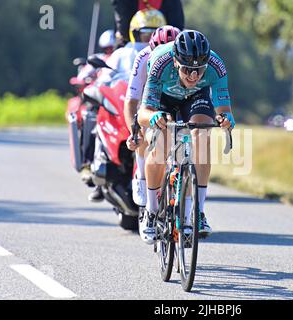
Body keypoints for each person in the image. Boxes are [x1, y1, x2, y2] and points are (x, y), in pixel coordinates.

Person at [137, 30, 235, 244]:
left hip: (195, 98)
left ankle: (197, 212)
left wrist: (226, 120)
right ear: (175, 61)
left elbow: (223, 109)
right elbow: (144, 114)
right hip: (163, 97)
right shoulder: (160, 63)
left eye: (199, 70)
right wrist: (154, 118)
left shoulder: (216, 67)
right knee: (161, 144)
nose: (193, 76)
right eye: (188, 69)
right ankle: (152, 211)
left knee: (201, 136)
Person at [87, 8, 167, 202]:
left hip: (153, 104)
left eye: (154, 33)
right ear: (134, 32)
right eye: (145, 33)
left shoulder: (166, 55)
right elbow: (104, 78)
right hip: (124, 100)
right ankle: (95, 168)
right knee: (96, 119)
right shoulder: (122, 53)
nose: (149, 38)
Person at [124, 25, 181, 208]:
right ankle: (141, 177)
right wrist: (134, 133)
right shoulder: (142, 58)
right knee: (143, 133)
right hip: (149, 99)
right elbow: (132, 101)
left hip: (173, 98)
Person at [77, 29, 116, 190]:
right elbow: (82, 77)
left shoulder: (122, 57)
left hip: (117, 100)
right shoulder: (99, 59)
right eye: (107, 48)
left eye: (112, 48)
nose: (110, 51)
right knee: (90, 117)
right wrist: (86, 79)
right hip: (99, 101)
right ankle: (87, 163)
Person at [111, 0, 184, 48]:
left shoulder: (173, 2)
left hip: (163, 47)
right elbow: (123, 30)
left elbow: (176, 30)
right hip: (131, 45)